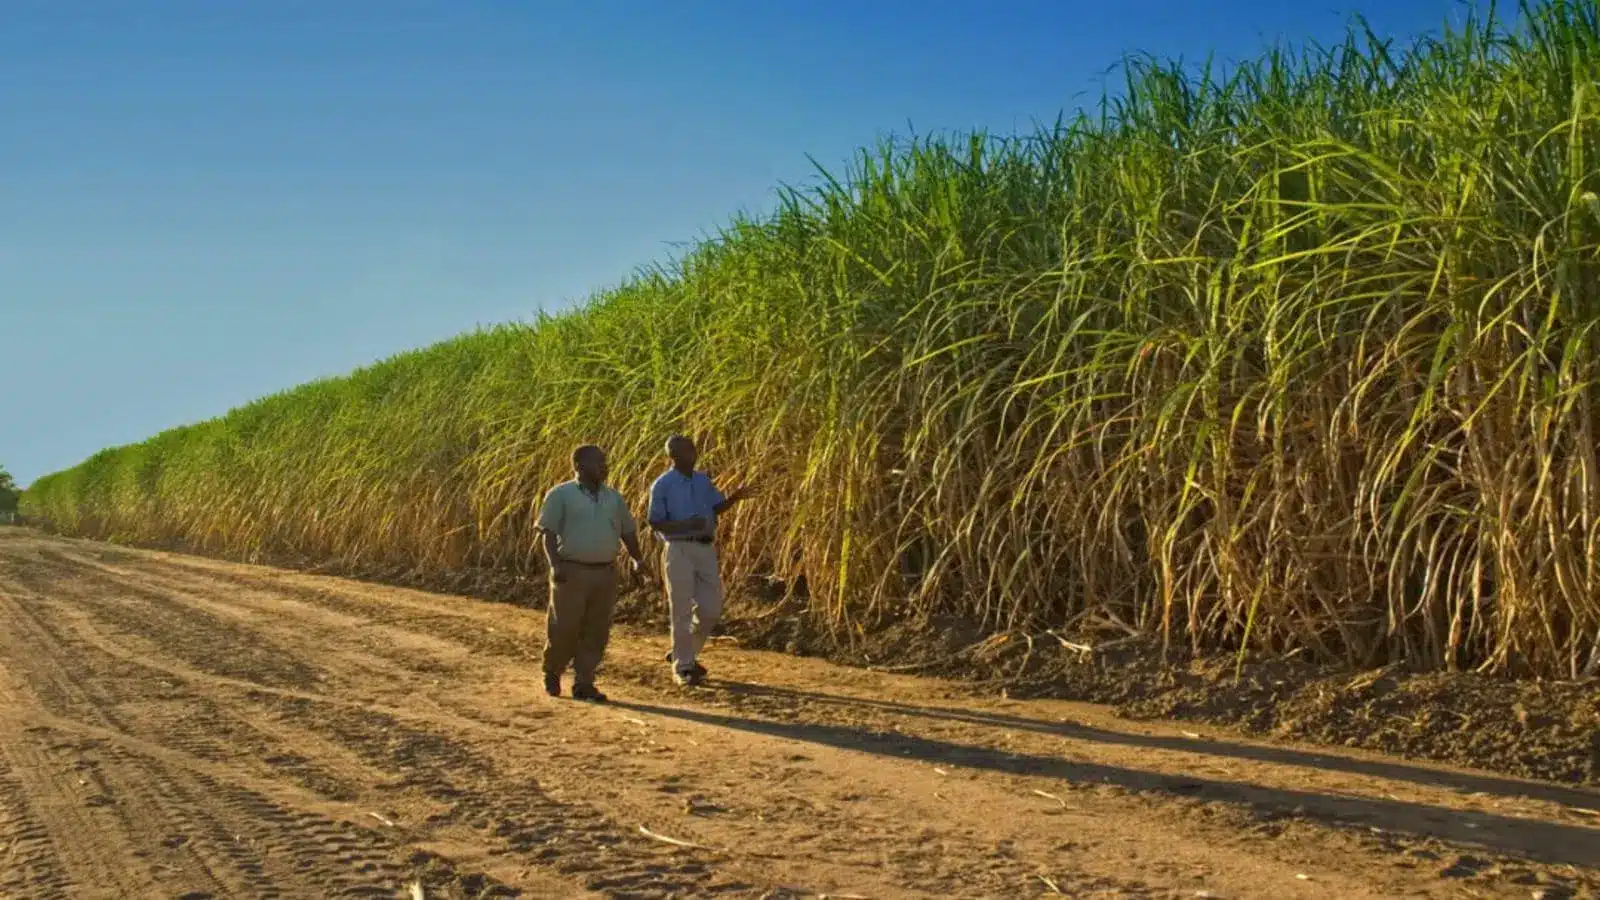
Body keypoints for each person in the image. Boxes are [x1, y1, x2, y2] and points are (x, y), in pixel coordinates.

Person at [536, 444, 650, 702]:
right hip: (572, 571)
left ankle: (584, 682)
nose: (604, 467)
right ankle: (553, 670)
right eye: (598, 462)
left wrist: (637, 559)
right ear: (579, 466)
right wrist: (555, 565)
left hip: (605, 572)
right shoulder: (561, 495)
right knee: (564, 626)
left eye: (605, 462)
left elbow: (627, 531)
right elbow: (548, 533)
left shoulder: (613, 498)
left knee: (596, 629)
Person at [647, 435, 756, 686]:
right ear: (672, 455)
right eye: (686, 450)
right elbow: (654, 521)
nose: (692, 453)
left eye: (693, 449)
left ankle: (683, 652)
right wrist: (685, 524)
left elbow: (715, 507)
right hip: (679, 548)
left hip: (705, 548)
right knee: (681, 608)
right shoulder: (663, 485)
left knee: (711, 609)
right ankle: (683, 666)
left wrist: (734, 498)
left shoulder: (702, 480)